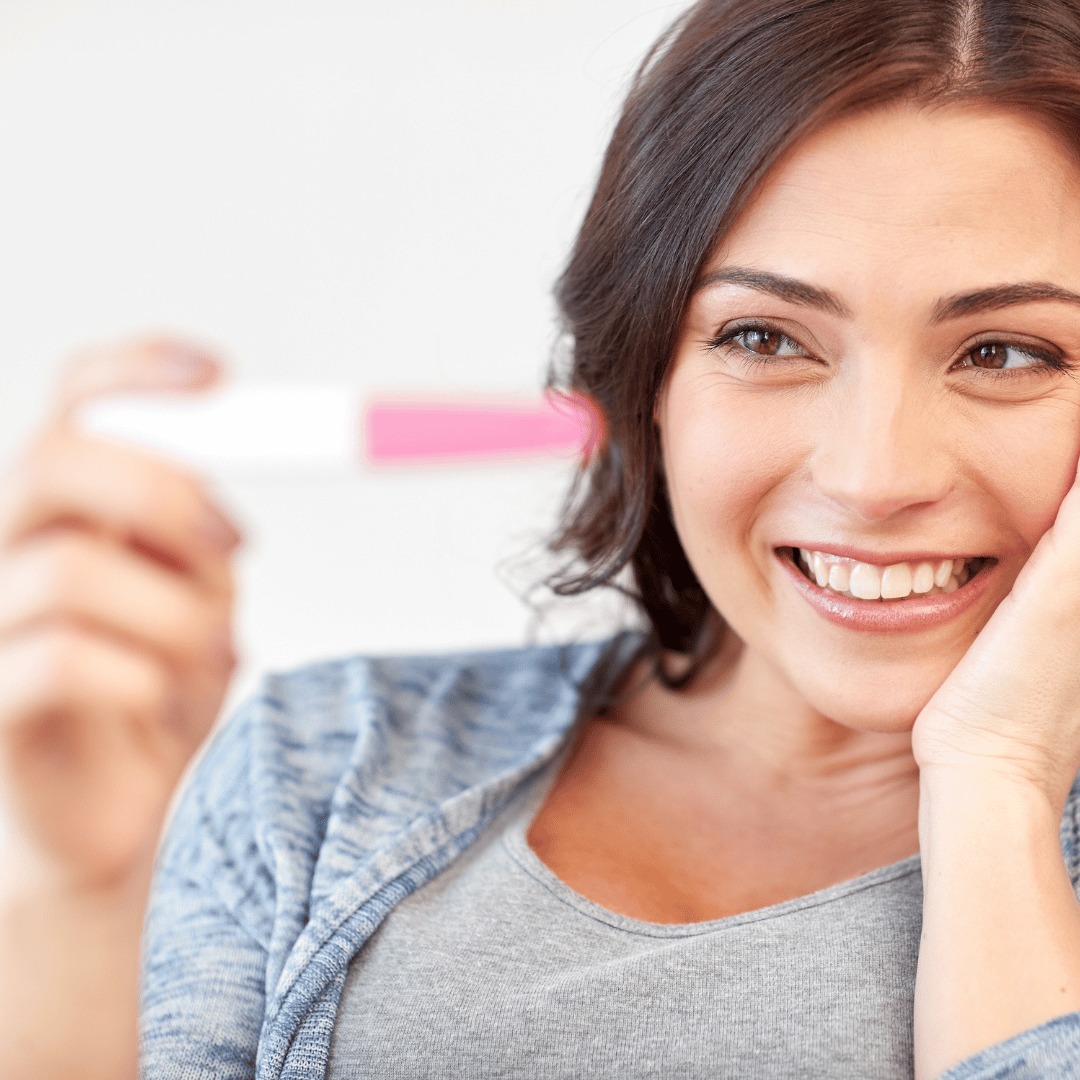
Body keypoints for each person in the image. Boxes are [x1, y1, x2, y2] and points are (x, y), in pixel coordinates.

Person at [7, 0, 1080, 1075]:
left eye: (1007, 354)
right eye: (762, 336)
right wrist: (84, 896)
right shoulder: (333, 762)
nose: (874, 477)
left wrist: (996, 780)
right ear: (647, 376)